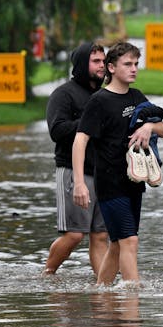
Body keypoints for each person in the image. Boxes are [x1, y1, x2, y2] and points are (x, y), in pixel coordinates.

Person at [72, 41, 163, 286]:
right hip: (109, 183)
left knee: (116, 245)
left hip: (134, 181)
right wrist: (80, 183)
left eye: (136, 64)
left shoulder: (137, 97)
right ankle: (131, 300)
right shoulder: (99, 101)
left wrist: (149, 126)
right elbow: (80, 141)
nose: (134, 68)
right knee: (130, 241)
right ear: (111, 68)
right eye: (128, 64)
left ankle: (101, 294)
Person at [43, 42, 109, 276]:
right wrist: (88, 122)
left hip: (103, 173)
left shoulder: (104, 95)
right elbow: (56, 131)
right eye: (96, 62)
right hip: (72, 171)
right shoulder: (63, 94)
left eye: (103, 61)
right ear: (82, 64)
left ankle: (104, 288)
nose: (102, 66)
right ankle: (47, 274)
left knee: (101, 235)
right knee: (74, 235)